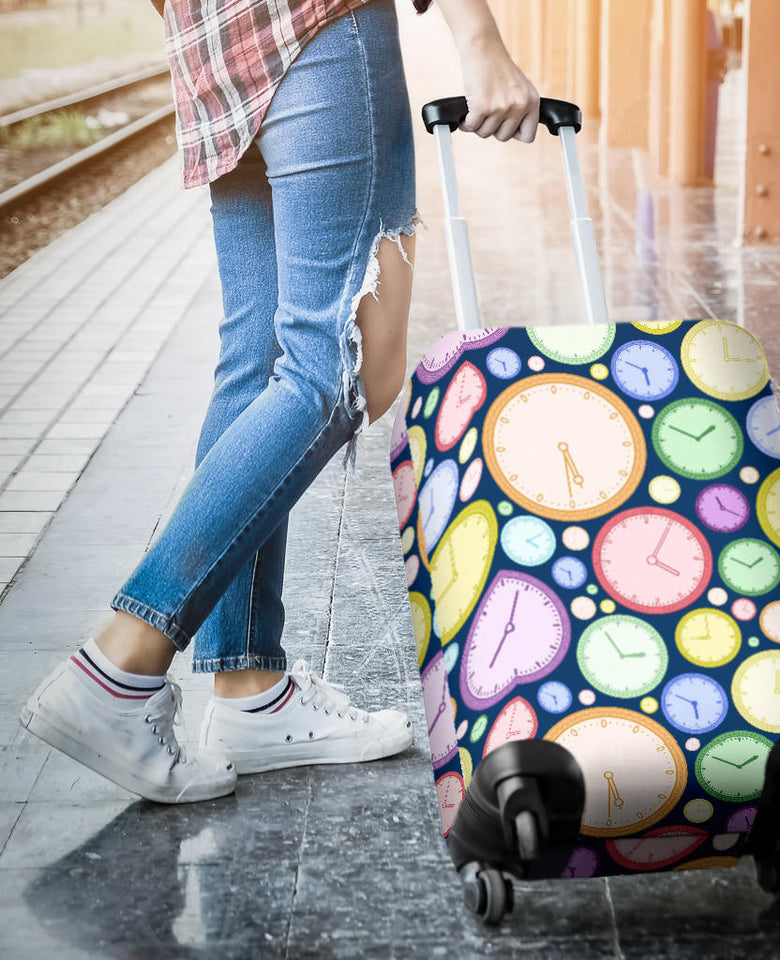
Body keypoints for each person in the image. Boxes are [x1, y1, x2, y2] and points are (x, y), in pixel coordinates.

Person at [20, 0, 540, 803]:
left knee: (259, 361)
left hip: (214, 46)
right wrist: (480, 40)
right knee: (338, 366)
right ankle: (120, 665)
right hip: (320, 25)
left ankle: (248, 689)